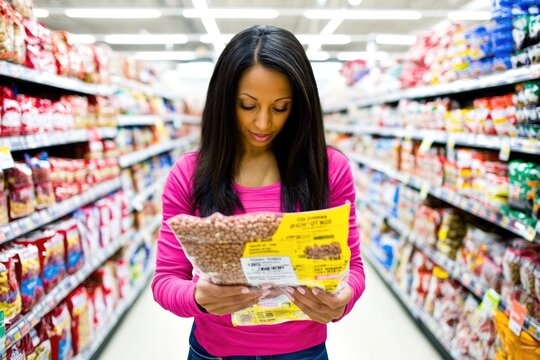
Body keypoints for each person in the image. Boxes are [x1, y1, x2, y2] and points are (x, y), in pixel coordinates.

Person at [152, 24, 366, 360]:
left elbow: (352, 268)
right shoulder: (189, 174)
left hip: (303, 352)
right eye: (247, 105)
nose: (263, 123)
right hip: (216, 351)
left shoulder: (328, 169)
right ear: (225, 100)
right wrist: (198, 298)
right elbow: (166, 280)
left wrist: (343, 299)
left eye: (280, 107)